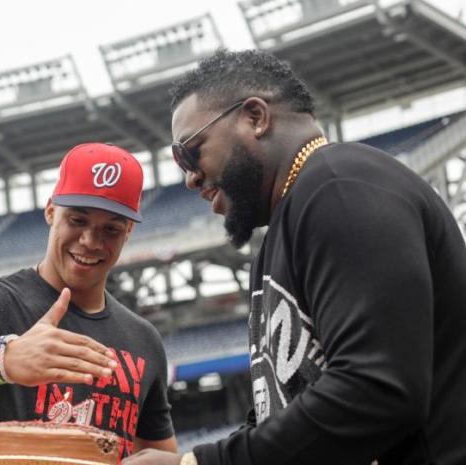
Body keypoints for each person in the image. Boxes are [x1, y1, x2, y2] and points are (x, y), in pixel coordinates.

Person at [124, 49, 466, 465]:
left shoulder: (341, 187)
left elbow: (378, 388)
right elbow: (281, 415)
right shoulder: (278, 239)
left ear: (255, 117)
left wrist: (196, 464)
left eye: (191, 151)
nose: (190, 177)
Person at [0, 143, 177, 461]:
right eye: (77, 220)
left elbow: (158, 452)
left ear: (128, 230)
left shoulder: (142, 338)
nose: (91, 241)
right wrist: (2, 361)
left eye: (111, 229)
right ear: (51, 210)